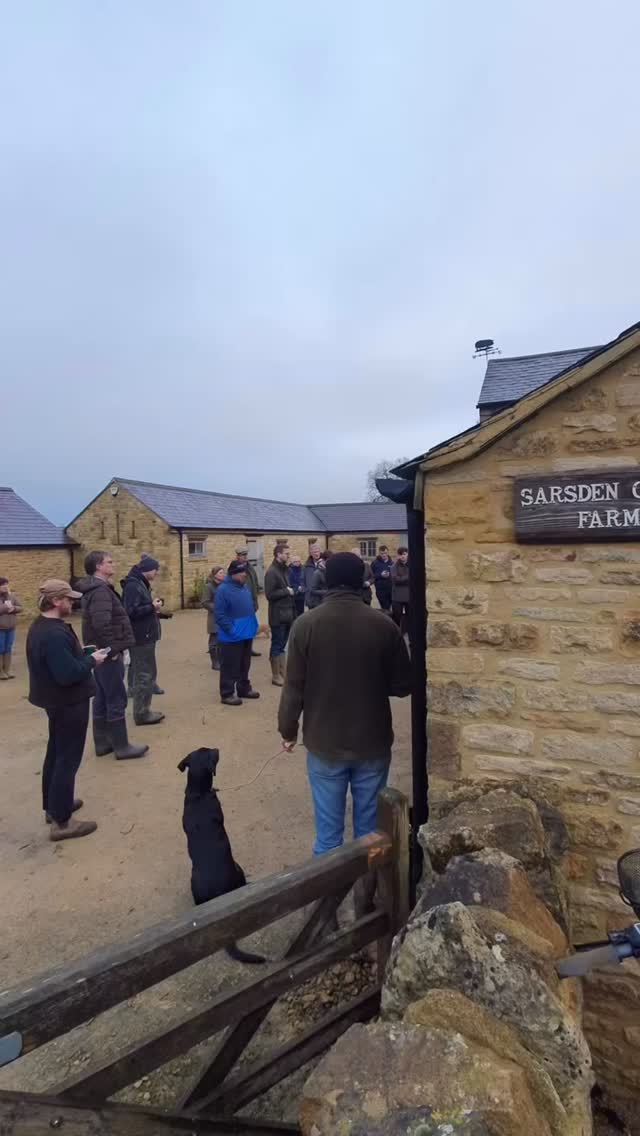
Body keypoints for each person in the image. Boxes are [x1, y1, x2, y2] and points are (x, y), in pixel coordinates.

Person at [278, 552, 411, 856]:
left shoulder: (305, 624)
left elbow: (293, 688)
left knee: (327, 838)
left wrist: (288, 731)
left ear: (326, 581)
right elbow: (403, 686)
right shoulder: (384, 624)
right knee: (368, 834)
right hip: (372, 741)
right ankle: (365, 900)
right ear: (362, 581)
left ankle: (327, 902)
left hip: (325, 742)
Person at [26, 579, 110, 841]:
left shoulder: (42, 627)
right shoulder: (53, 634)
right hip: (68, 701)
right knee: (67, 759)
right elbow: (67, 674)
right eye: (68, 599)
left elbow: (60, 661)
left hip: (56, 701)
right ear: (55, 601)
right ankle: (63, 823)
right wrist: (92, 661)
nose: (72, 602)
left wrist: (82, 653)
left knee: (56, 752)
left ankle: (55, 806)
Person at [76, 551, 148, 760]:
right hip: (107, 654)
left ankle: (103, 743)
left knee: (101, 696)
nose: (113, 564)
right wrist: (113, 650)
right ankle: (121, 746)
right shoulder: (100, 591)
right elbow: (101, 624)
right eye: (109, 562)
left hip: (99, 652)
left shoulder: (95, 589)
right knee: (115, 696)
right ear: (99, 566)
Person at [123, 555, 165, 726]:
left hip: (145, 635)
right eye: (155, 569)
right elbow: (131, 611)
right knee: (144, 675)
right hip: (141, 637)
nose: (156, 573)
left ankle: (143, 710)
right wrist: (152, 607)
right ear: (148, 569)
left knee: (147, 673)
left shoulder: (138, 583)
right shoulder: (133, 585)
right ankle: (141, 714)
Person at [214, 560, 260, 706]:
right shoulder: (223, 590)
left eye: (245, 572)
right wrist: (231, 630)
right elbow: (219, 615)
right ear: (233, 574)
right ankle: (227, 693)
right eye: (241, 573)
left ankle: (243, 688)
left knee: (244, 664)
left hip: (247, 633)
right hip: (231, 636)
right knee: (229, 665)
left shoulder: (244, 586)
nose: (244, 575)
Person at [264, 545, 295, 687]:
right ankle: (276, 676)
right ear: (278, 554)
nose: (288, 556)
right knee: (277, 645)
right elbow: (269, 595)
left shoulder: (284, 570)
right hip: (277, 615)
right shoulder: (271, 572)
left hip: (288, 614)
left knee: (283, 645)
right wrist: (286, 591)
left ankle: (283, 673)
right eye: (286, 553)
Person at [235, 547, 261, 658]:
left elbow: (254, 581)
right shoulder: (235, 568)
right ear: (238, 556)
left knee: (250, 627)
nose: (245, 557)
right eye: (242, 555)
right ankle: (240, 650)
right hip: (241, 603)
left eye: (246, 555)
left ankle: (249, 648)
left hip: (251, 601)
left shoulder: (249, 567)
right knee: (241, 627)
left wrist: (255, 599)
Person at [202, 566, 225, 669]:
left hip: (225, 617)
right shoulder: (209, 587)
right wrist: (217, 608)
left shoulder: (225, 585)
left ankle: (221, 659)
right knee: (214, 640)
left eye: (223, 573)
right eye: (220, 573)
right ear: (215, 575)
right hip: (214, 617)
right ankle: (215, 662)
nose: (223, 575)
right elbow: (205, 602)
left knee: (223, 640)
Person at [0, 577, 22, 679]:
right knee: (1, 648)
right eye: (3, 584)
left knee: (8, 648)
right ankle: (1, 672)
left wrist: (14, 608)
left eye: (6, 584)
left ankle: (7, 670)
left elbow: (20, 607)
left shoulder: (11, 597)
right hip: (1, 628)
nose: (5, 586)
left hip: (11, 627)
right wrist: (6, 606)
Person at [391, 547, 410, 635]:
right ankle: (397, 633)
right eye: (400, 554)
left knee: (410, 617)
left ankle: (408, 632)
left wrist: (401, 578)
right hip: (397, 597)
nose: (402, 556)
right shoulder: (394, 566)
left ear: (407, 554)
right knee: (397, 617)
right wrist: (408, 577)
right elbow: (395, 580)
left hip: (410, 596)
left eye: (404, 554)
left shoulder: (412, 565)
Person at [371, 546, 393, 612]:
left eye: (385, 553)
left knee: (391, 608)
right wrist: (381, 575)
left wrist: (389, 575)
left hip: (391, 589)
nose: (384, 555)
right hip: (380, 590)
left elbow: (395, 575)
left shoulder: (392, 563)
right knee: (385, 608)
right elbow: (371, 576)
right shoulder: (374, 563)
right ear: (379, 553)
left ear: (388, 552)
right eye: (382, 553)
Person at [303, 543, 323, 609]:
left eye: (317, 551)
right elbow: (303, 580)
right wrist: (305, 589)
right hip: (311, 600)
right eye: (314, 552)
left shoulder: (325, 564)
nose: (316, 554)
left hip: (322, 599)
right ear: (311, 553)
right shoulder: (306, 566)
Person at [288, 555, 306, 619]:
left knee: (301, 612)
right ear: (292, 562)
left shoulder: (303, 568)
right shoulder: (289, 570)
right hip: (293, 594)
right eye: (295, 561)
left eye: (298, 561)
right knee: (293, 613)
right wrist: (297, 587)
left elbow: (304, 579)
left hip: (301, 595)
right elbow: (289, 582)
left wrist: (303, 586)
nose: (297, 563)